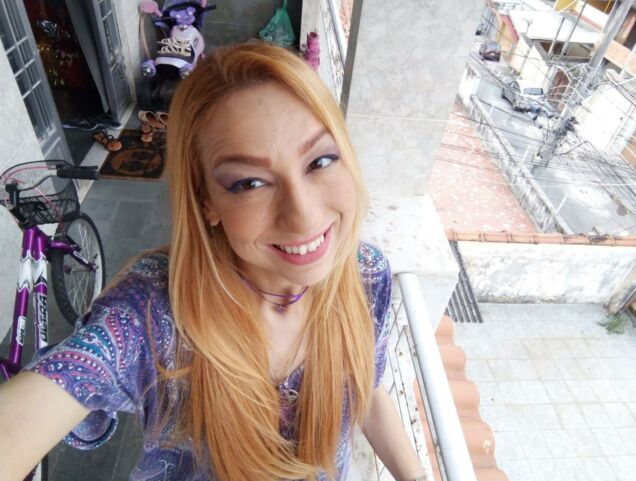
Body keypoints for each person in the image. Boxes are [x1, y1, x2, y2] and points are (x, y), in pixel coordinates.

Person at [0, 42, 427, 481]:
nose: (303, 215)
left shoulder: (366, 275)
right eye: (250, 183)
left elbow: (365, 387)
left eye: (320, 160)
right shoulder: (153, 318)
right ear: (207, 203)